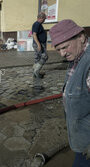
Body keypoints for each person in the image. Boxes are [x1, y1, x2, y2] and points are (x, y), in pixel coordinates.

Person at [50, 19, 90, 167]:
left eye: (65, 47)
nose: (62, 54)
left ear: (81, 36)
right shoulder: (78, 55)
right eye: (58, 49)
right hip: (82, 135)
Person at [32, 12, 48, 78]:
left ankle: (35, 73)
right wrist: (39, 44)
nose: (45, 20)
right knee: (44, 57)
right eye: (44, 18)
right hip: (39, 44)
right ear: (41, 18)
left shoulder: (38, 24)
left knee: (37, 58)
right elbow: (34, 34)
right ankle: (36, 70)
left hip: (38, 44)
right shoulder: (37, 24)